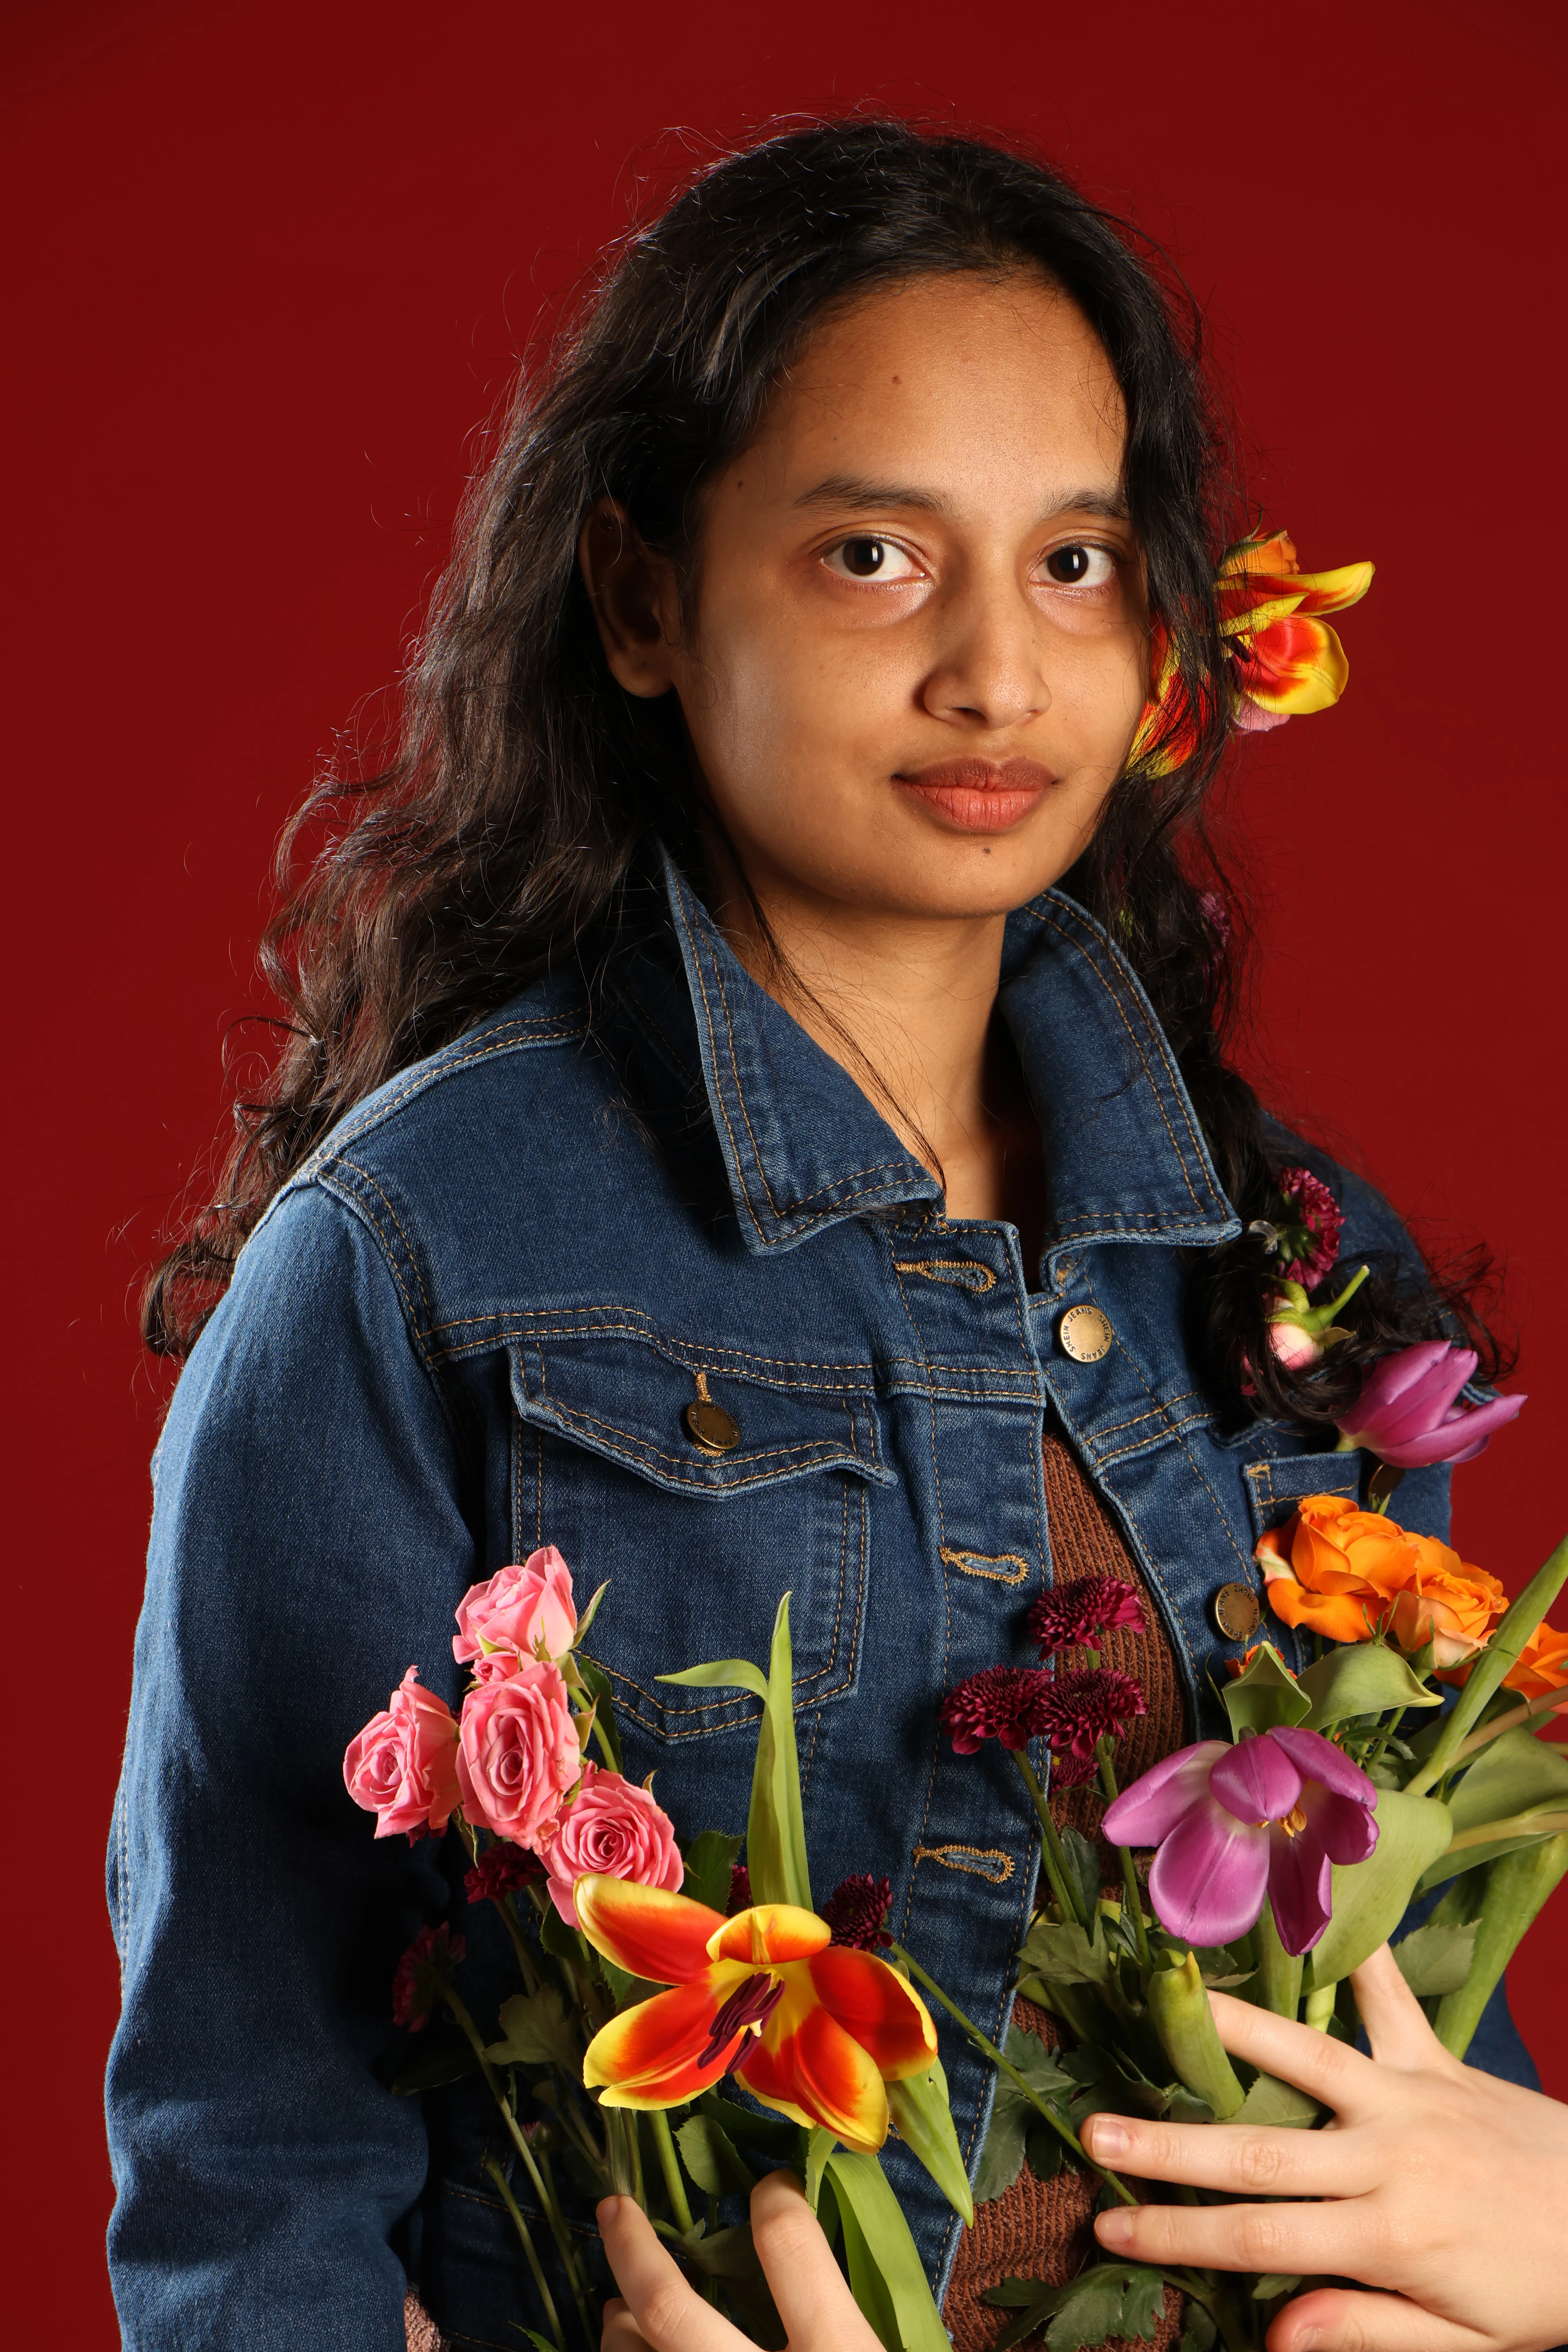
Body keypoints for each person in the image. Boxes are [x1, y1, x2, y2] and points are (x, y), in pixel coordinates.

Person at [105, 120, 1566, 2352]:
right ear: (641, 596)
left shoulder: (1294, 1280)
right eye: (876, 554)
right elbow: (250, 2160)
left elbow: (1404, 2009)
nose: (997, 672)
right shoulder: (414, 1268)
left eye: (1075, 563)